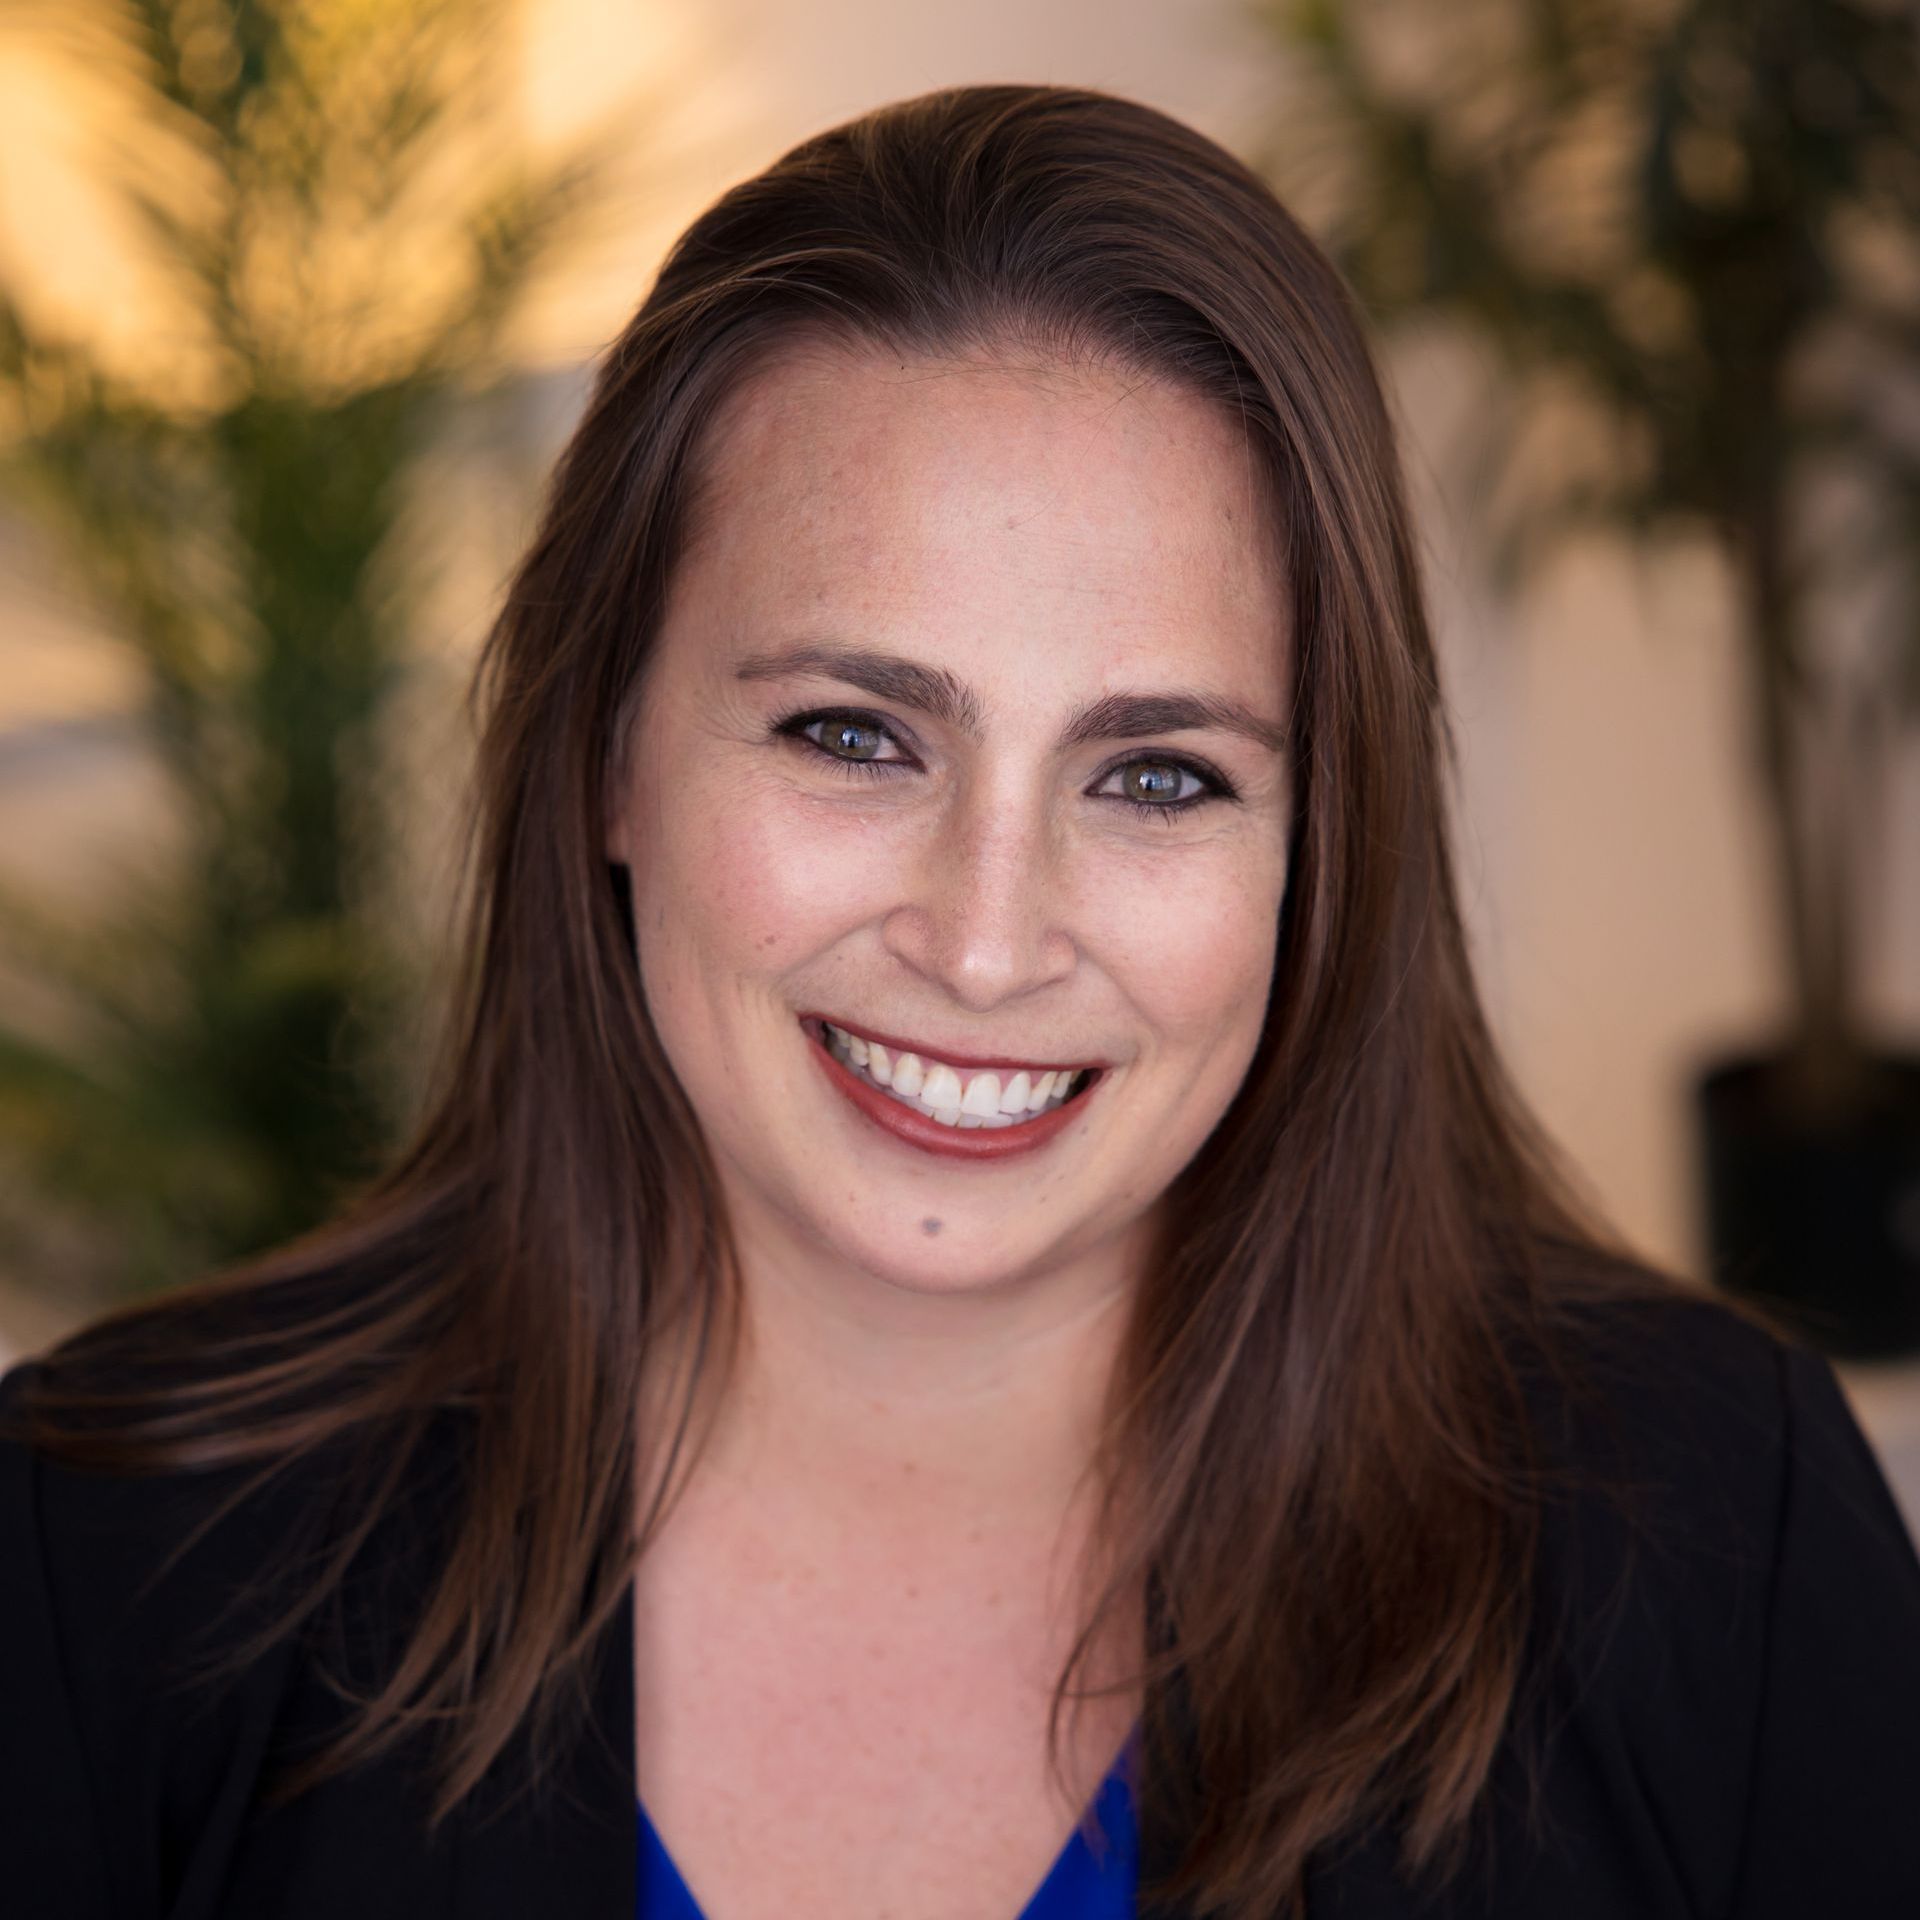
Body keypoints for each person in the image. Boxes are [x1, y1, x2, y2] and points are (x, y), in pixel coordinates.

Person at [3, 80, 1918, 1920]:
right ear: (602, 748)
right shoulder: (97, 1567)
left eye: (1159, 775)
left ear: (1321, 852)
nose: (988, 942)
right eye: (853, 735)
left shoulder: (1709, 1532)